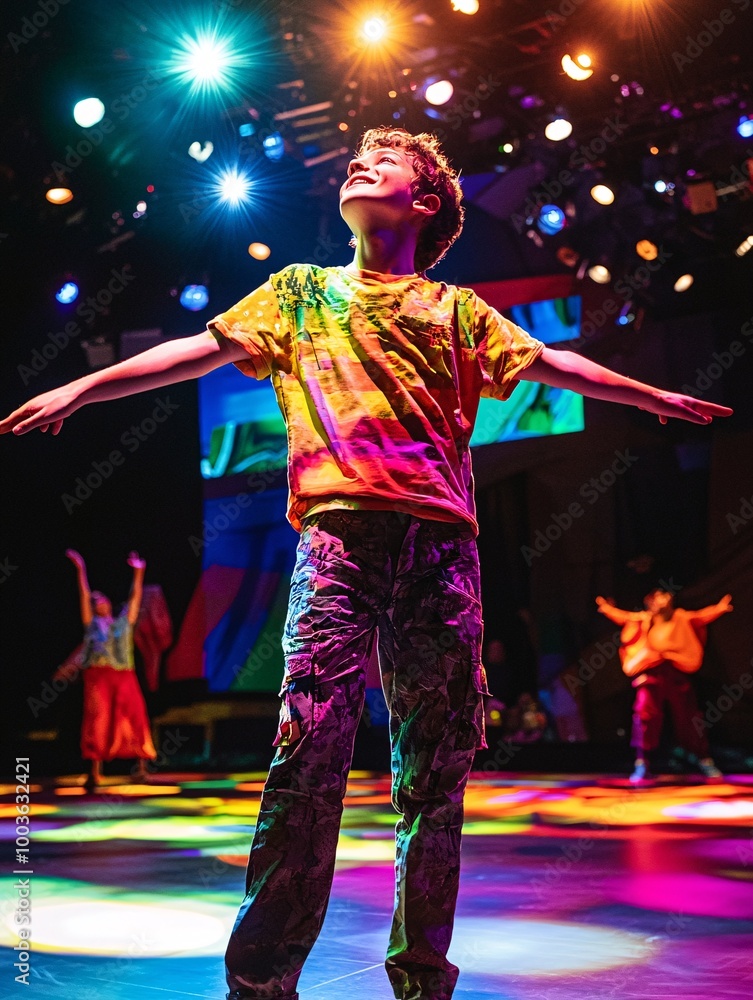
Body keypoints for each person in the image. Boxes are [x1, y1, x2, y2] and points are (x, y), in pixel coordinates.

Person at [1, 127, 732, 1000]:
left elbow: (553, 361)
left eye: (383, 163)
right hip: (338, 544)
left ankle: (421, 974)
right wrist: (85, 386)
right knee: (304, 755)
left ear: (424, 203)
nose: (358, 164)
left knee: (435, 771)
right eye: (355, 159)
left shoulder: (455, 310)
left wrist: (649, 395)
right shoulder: (298, 294)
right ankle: (262, 981)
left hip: (439, 552)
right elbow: (192, 352)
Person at [596, 590, 733, 783]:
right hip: (651, 673)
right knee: (644, 716)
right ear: (650, 601)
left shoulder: (681, 618)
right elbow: (623, 617)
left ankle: (705, 760)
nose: (662, 599)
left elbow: (701, 617)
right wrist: (608, 609)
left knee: (690, 718)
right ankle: (642, 764)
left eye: (665, 595)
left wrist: (719, 609)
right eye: (657, 596)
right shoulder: (643, 620)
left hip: (676, 672)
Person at [64, 548, 157, 788]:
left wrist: (139, 572)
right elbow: (83, 595)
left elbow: (135, 598)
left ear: (107, 602)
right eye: (94, 600)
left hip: (124, 674)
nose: (97, 600)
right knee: (97, 721)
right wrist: (80, 569)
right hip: (98, 675)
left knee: (135, 717)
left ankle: (142, 768)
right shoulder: (91, 625)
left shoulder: (123, 624)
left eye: (100, 597)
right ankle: (94, 771)